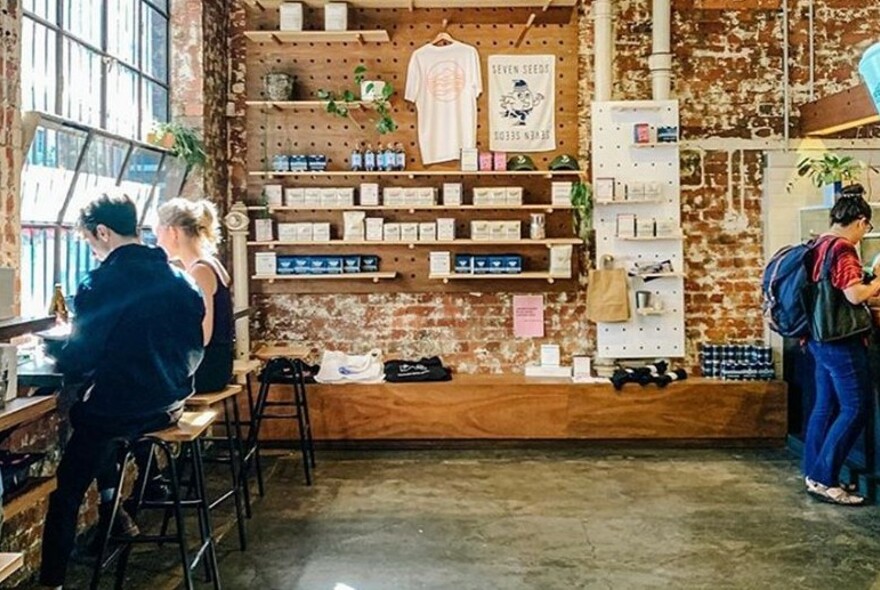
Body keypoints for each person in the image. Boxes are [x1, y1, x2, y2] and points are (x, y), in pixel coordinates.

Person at [39, 193, 205, 589]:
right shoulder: (181, 279)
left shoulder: (102, 282)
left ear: (102, 232)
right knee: (100, 429)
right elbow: (192, 347)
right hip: (170, 404)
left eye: (91, 242)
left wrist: (51, 349)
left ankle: (51, 583)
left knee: (66, 490)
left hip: (122, 407)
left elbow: (80, 357)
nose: (93, 251)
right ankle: (116, 512)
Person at [803, 185, 880, 506]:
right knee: (856, 408)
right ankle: (826, 478)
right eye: (868, 228)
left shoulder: (819, 243)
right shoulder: (844, 249)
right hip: (841, 340)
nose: (866, 233)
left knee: (826, 406)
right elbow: (853, 294)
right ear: (860, 221)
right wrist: (876, 281)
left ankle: (814, 475)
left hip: (819, 338)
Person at [155, 198, 234, 392]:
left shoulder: (200, 271)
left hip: (207, 369)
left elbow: (203, 337)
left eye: (158, 234)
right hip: (218, 364)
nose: (157, 242)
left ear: (173, 232)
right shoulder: (210, 263)